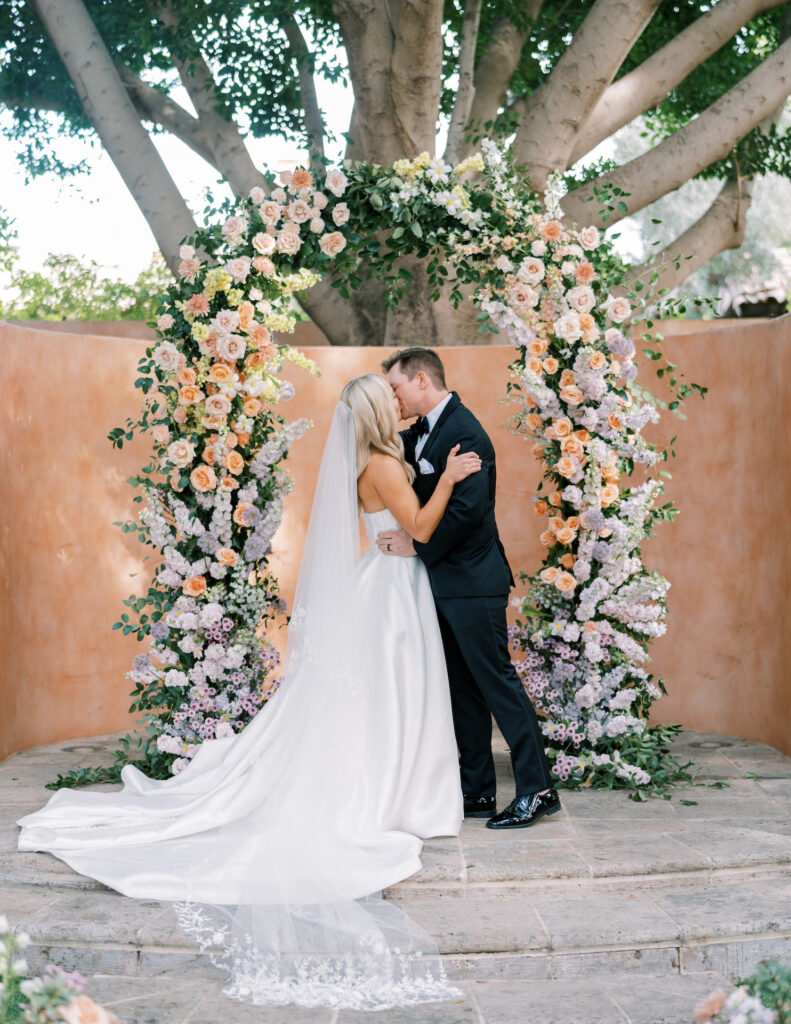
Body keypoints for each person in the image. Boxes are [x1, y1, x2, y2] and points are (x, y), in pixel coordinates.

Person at [17, 374, 482, 1012]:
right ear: (381, 412)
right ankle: (401, 797)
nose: (401, 403)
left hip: (385, 583)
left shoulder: (368, 461)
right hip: (393, 593)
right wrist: (451, 480)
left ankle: (401, 788)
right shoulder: (383, 463)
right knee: (394, 694)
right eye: (392, 399)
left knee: (385, 698)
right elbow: (423, 530)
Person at [378, 347, 559, 830]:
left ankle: (538, 790)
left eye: (395, 387)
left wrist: (417, 548)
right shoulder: (420, 432)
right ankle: (477, 791)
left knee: (498, 684)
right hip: (444, 584)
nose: (392, 398)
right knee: (463, 691)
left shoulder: (464, 432)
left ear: (420, 380)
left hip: (474, 583)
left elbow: (468, 512)